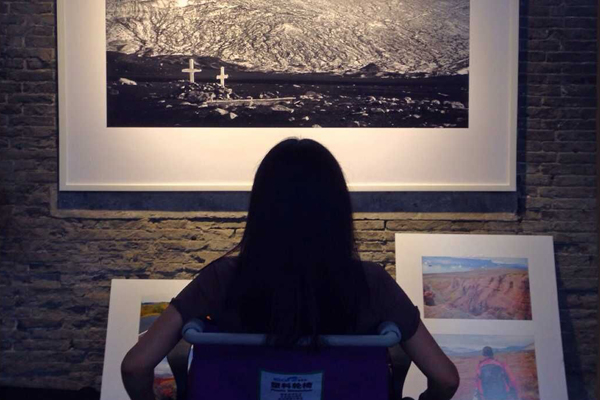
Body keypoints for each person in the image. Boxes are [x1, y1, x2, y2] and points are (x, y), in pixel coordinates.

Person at [121, 138, 459, 400]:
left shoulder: (220, 279)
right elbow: (445, 379)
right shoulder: (373, 283)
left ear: (261, 208)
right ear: (337, 210)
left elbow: (136, 366)